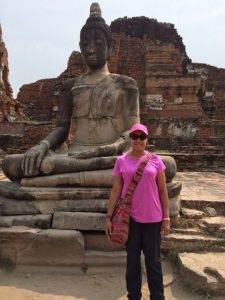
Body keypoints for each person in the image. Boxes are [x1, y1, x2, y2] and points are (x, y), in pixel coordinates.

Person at [2, 3, 139, 183]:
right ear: (80, 47)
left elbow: (135, 130)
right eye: (85, 44)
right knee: (11, 164)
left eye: (98, 43)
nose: (90, 49)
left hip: (112, 156)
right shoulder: (70, 86)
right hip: (75, 157)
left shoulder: (126, 84)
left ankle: (58, 183)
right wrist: (42, 146)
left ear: (111, 47)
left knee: (164, 166)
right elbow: (62, 129)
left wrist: (115, 146)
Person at [105, 123, 170, 300]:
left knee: (153, 262)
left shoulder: (156, 161)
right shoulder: (121, 161)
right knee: (132, 261)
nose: (138, 140)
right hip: (129, 219)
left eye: (142, 137)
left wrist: (166, 217)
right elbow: (116, 190)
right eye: (135, 136)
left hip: (153, 218)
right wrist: (109, 216)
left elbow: (163, 190)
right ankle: (134, 296)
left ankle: (157, 297)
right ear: (130, 139)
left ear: (147, 140)